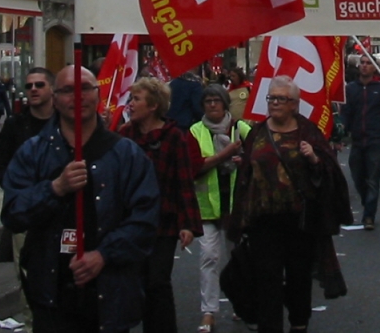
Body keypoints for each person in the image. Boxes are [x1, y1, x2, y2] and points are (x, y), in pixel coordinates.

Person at [2, 66, 160, 333]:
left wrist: (103, 255)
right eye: (67, 91)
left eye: (85, 88)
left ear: (97, 95)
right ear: (55, 98)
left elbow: (145, 219)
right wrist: (55, 188)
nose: (77, 97)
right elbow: (13, 213)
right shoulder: (33, 152)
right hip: (52, 298)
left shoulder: (125, 154)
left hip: (109, 298)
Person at [229, 76, 352, 333]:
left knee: (298, 278)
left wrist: (314, 159)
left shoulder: (308, 133)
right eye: (271, 98)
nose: (275, 103)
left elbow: (330, 174)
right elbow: (246, 178)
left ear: (294, 104)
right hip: (263, 221)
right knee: (267, 279)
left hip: (299, 221)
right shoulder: (258, 133)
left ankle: (298, 324)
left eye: (281, 99)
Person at [119, 77, 203, 333]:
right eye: (131, 99)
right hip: (130, 221)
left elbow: (183, 181)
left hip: (162, 223)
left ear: (153, 105)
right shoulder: (124, 136)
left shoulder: (174, 136)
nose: (131, 104)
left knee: (157, 281)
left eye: (136, 99)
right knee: (135, 282)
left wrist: (187, 224)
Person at [189, 84, 252, 333]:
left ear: (226, 104)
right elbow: (194, 166)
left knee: (238, 258)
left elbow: (260, 155)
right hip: (207, 209)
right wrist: (226, 154)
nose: (212, 105)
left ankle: (241, 303)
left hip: (236, 208)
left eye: (217, 100)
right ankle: (208, 312)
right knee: (209, 258)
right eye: (208, 101)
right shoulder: (195, 131)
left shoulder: (241, 128)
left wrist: (244, 160)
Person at [0, 67, 56, 269]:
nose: (33, 89)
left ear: (52, 89)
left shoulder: (64, 123)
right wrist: (16, 191)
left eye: (39, 85)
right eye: (29, 86)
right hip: (25, 211)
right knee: (27, 272)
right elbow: (0, 165)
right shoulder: (15, 125)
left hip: (57, 210)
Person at [341, 53, 380, 230]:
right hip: (357, 139)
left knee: (372, 178)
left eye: (368, 63)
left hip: (375, 139)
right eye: (362, 63)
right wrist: (341, 136)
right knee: (357, 175)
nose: (364, 66)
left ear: (374, 68)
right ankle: (367, 202)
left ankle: (369, 216)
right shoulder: (351, 89)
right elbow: (346, 114)